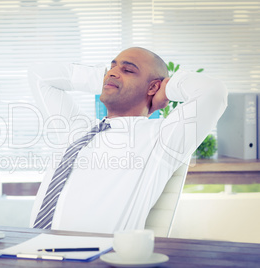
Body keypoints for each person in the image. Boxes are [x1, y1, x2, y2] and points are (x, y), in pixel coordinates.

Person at [27, 47, 228, 234]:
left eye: (128, 70)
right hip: (34, 251)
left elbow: (213, 92)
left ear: (153, 87)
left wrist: (166, 89)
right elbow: (39, 76)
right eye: (112, 66)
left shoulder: (161, 139)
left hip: (95, 259)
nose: (112, 72)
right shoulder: (76, 128)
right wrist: (103, 78)